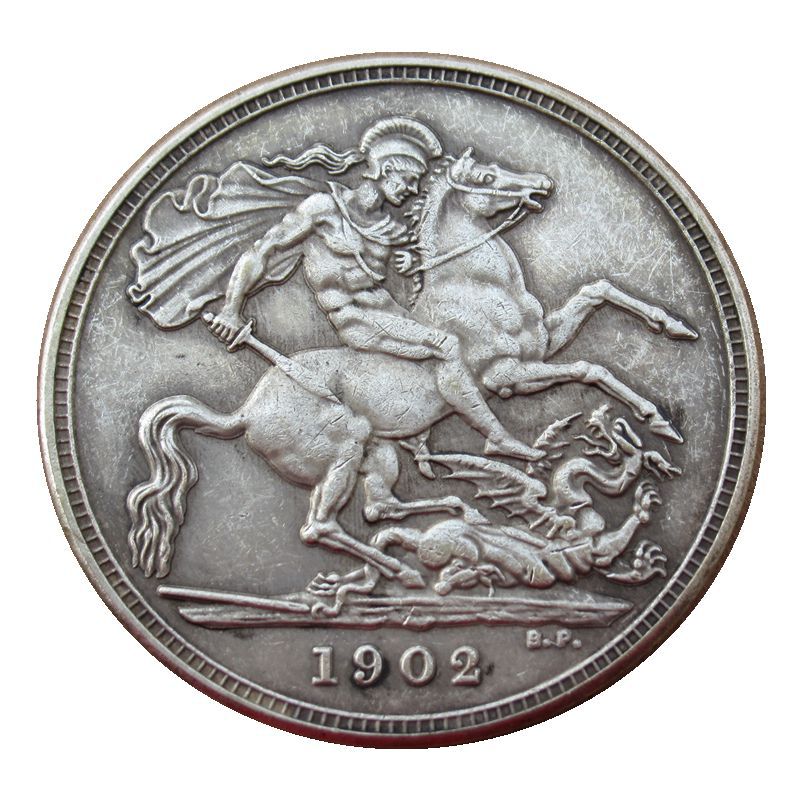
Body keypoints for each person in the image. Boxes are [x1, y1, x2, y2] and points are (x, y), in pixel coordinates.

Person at [208, 117, 543, 463]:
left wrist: (412, 262)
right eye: (408, 179)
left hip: (389, 312)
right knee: (445, 345)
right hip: (355, 318)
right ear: (385, 169)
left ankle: (424, 430)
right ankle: (496, 437)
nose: (411, 189)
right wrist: (232, 308)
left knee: (464, 344)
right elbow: (264, 251)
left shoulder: (388, 227)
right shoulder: (324, 209)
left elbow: (425, 252)